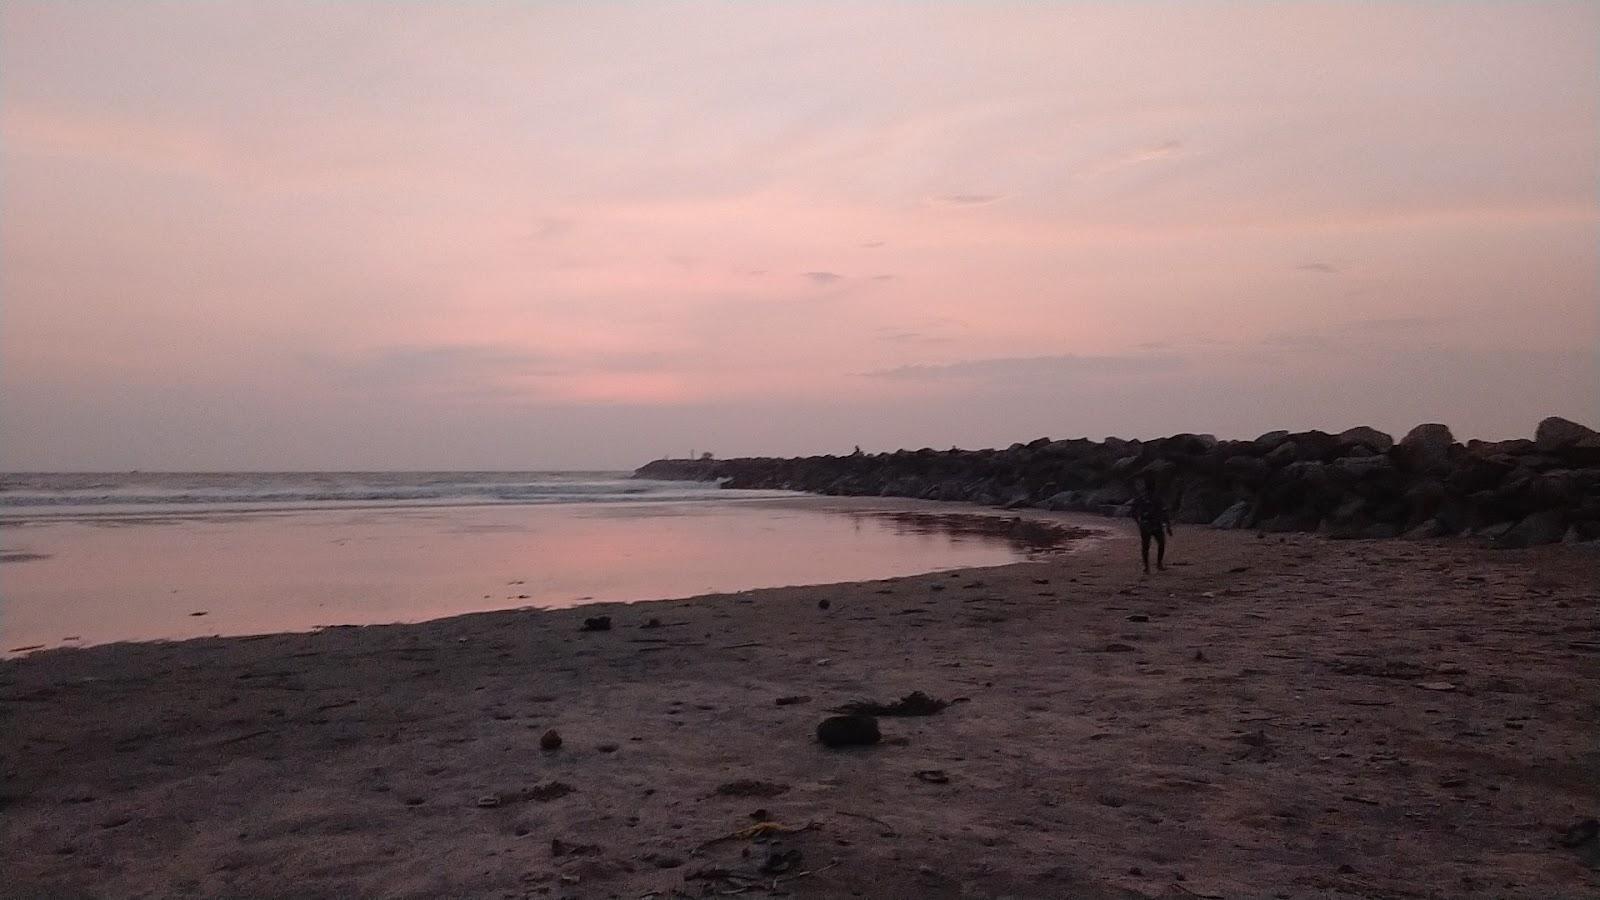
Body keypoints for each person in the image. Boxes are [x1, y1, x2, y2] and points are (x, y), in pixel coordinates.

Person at [1130, 477, 1173, 573]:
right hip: (1156, 523)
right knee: (1161, 544)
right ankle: (1158, 564)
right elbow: (1164, 511)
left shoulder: (1141, 497)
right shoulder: (1157, 497)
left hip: (1145, 524)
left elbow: (1133, 512)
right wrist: (1168, 526)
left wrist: (1138, 522)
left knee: (1145, 546)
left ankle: (1147, 567)